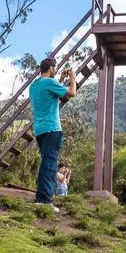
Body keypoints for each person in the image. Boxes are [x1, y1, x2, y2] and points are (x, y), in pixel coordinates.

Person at [29, 58, 76, 212]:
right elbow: (71, 93)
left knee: (46, 163)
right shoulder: (50, 83)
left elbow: (52, 94)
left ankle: (40, 198)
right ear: (50, 68)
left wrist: (61, 80)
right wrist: (73, 78)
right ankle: (44, 201)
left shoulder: (34, 85)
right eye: (55, 68)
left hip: (40, 130)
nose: (56, 70)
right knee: (50, 165)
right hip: (52, 129)